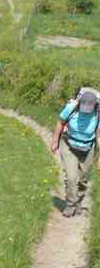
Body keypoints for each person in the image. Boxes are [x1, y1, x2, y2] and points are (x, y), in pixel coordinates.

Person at [51, 87, 100, 217]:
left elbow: (98, 135)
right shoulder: (72, 108)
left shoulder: (98, 113)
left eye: (88, 107)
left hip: (87, 148)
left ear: (94, 105)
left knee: (83, 178)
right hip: (69, 145)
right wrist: (55, 141)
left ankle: (79, 200)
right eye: (83, 106)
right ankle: (71, 204)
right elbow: (60, 123)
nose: (85, 110)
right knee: (72, 178)